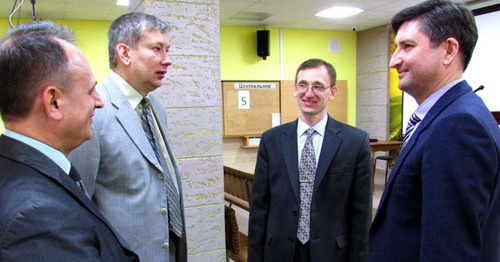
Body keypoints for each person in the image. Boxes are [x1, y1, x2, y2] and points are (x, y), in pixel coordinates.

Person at [369, 1, 500, 261]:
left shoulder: (458, 126)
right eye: (395, 48)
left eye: (407, 46)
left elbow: (450, 250)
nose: (394, 61)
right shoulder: (448, 115)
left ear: (449, 50)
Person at [0, 21, 138, 261]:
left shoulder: (16, 167)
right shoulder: (38, 217)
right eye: (89, 91)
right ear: (53, 102)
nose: (99, 101)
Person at [68, 12, 187, 261]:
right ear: (124, 53)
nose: (168, 60)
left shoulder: (155, 109)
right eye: (157, 49)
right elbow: (77, 207)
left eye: (167, 50)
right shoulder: (94, 111)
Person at [248, 58, 372, 262]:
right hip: (279, 251)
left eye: (318, 86)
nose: (309, 93)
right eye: (303, 85)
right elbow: (259, 207)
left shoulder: (356, 141)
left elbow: (361, 214)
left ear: (332, 92)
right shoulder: (272, 140)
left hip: (332, 253)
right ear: (295, 89)